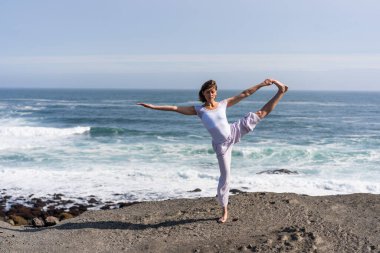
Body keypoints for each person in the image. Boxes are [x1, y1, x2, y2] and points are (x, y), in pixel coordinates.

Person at [137, 78, 288, 223]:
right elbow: (175, 108)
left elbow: (245, 93)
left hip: (233, 131)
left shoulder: (223, 104)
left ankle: (281, 92)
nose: (211, 94)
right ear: (203, 93)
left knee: (260, 114)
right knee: (225, 176)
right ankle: (224, 209)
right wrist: (153, 106)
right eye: (208, 92)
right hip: (222, 146)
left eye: (213, 91)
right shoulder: (199, 110)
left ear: (216, 92)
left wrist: (262, 84)